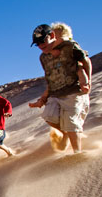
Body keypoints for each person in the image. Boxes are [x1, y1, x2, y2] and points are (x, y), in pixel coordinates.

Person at [28, 24, 92, 153]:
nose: (40, 46)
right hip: (55, 93)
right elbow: (50, 77)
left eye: (42, 41)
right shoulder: (43, 57)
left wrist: (87, 81)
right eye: (37, 44)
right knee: (48, 116)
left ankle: (77, 153)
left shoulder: (70, 47)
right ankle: (66, 134)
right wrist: (43, 99)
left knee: (71, 122)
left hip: (73, 91)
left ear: (51, 36)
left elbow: (85, 62)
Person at [50, 22, 91, 93]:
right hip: (62, 70)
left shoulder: (71, 45)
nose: (54, 39)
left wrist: (89, 80)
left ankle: (84, 84)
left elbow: (85, 59)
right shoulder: (53, 49)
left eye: (57, 37)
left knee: (79, 69)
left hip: (74, 65)